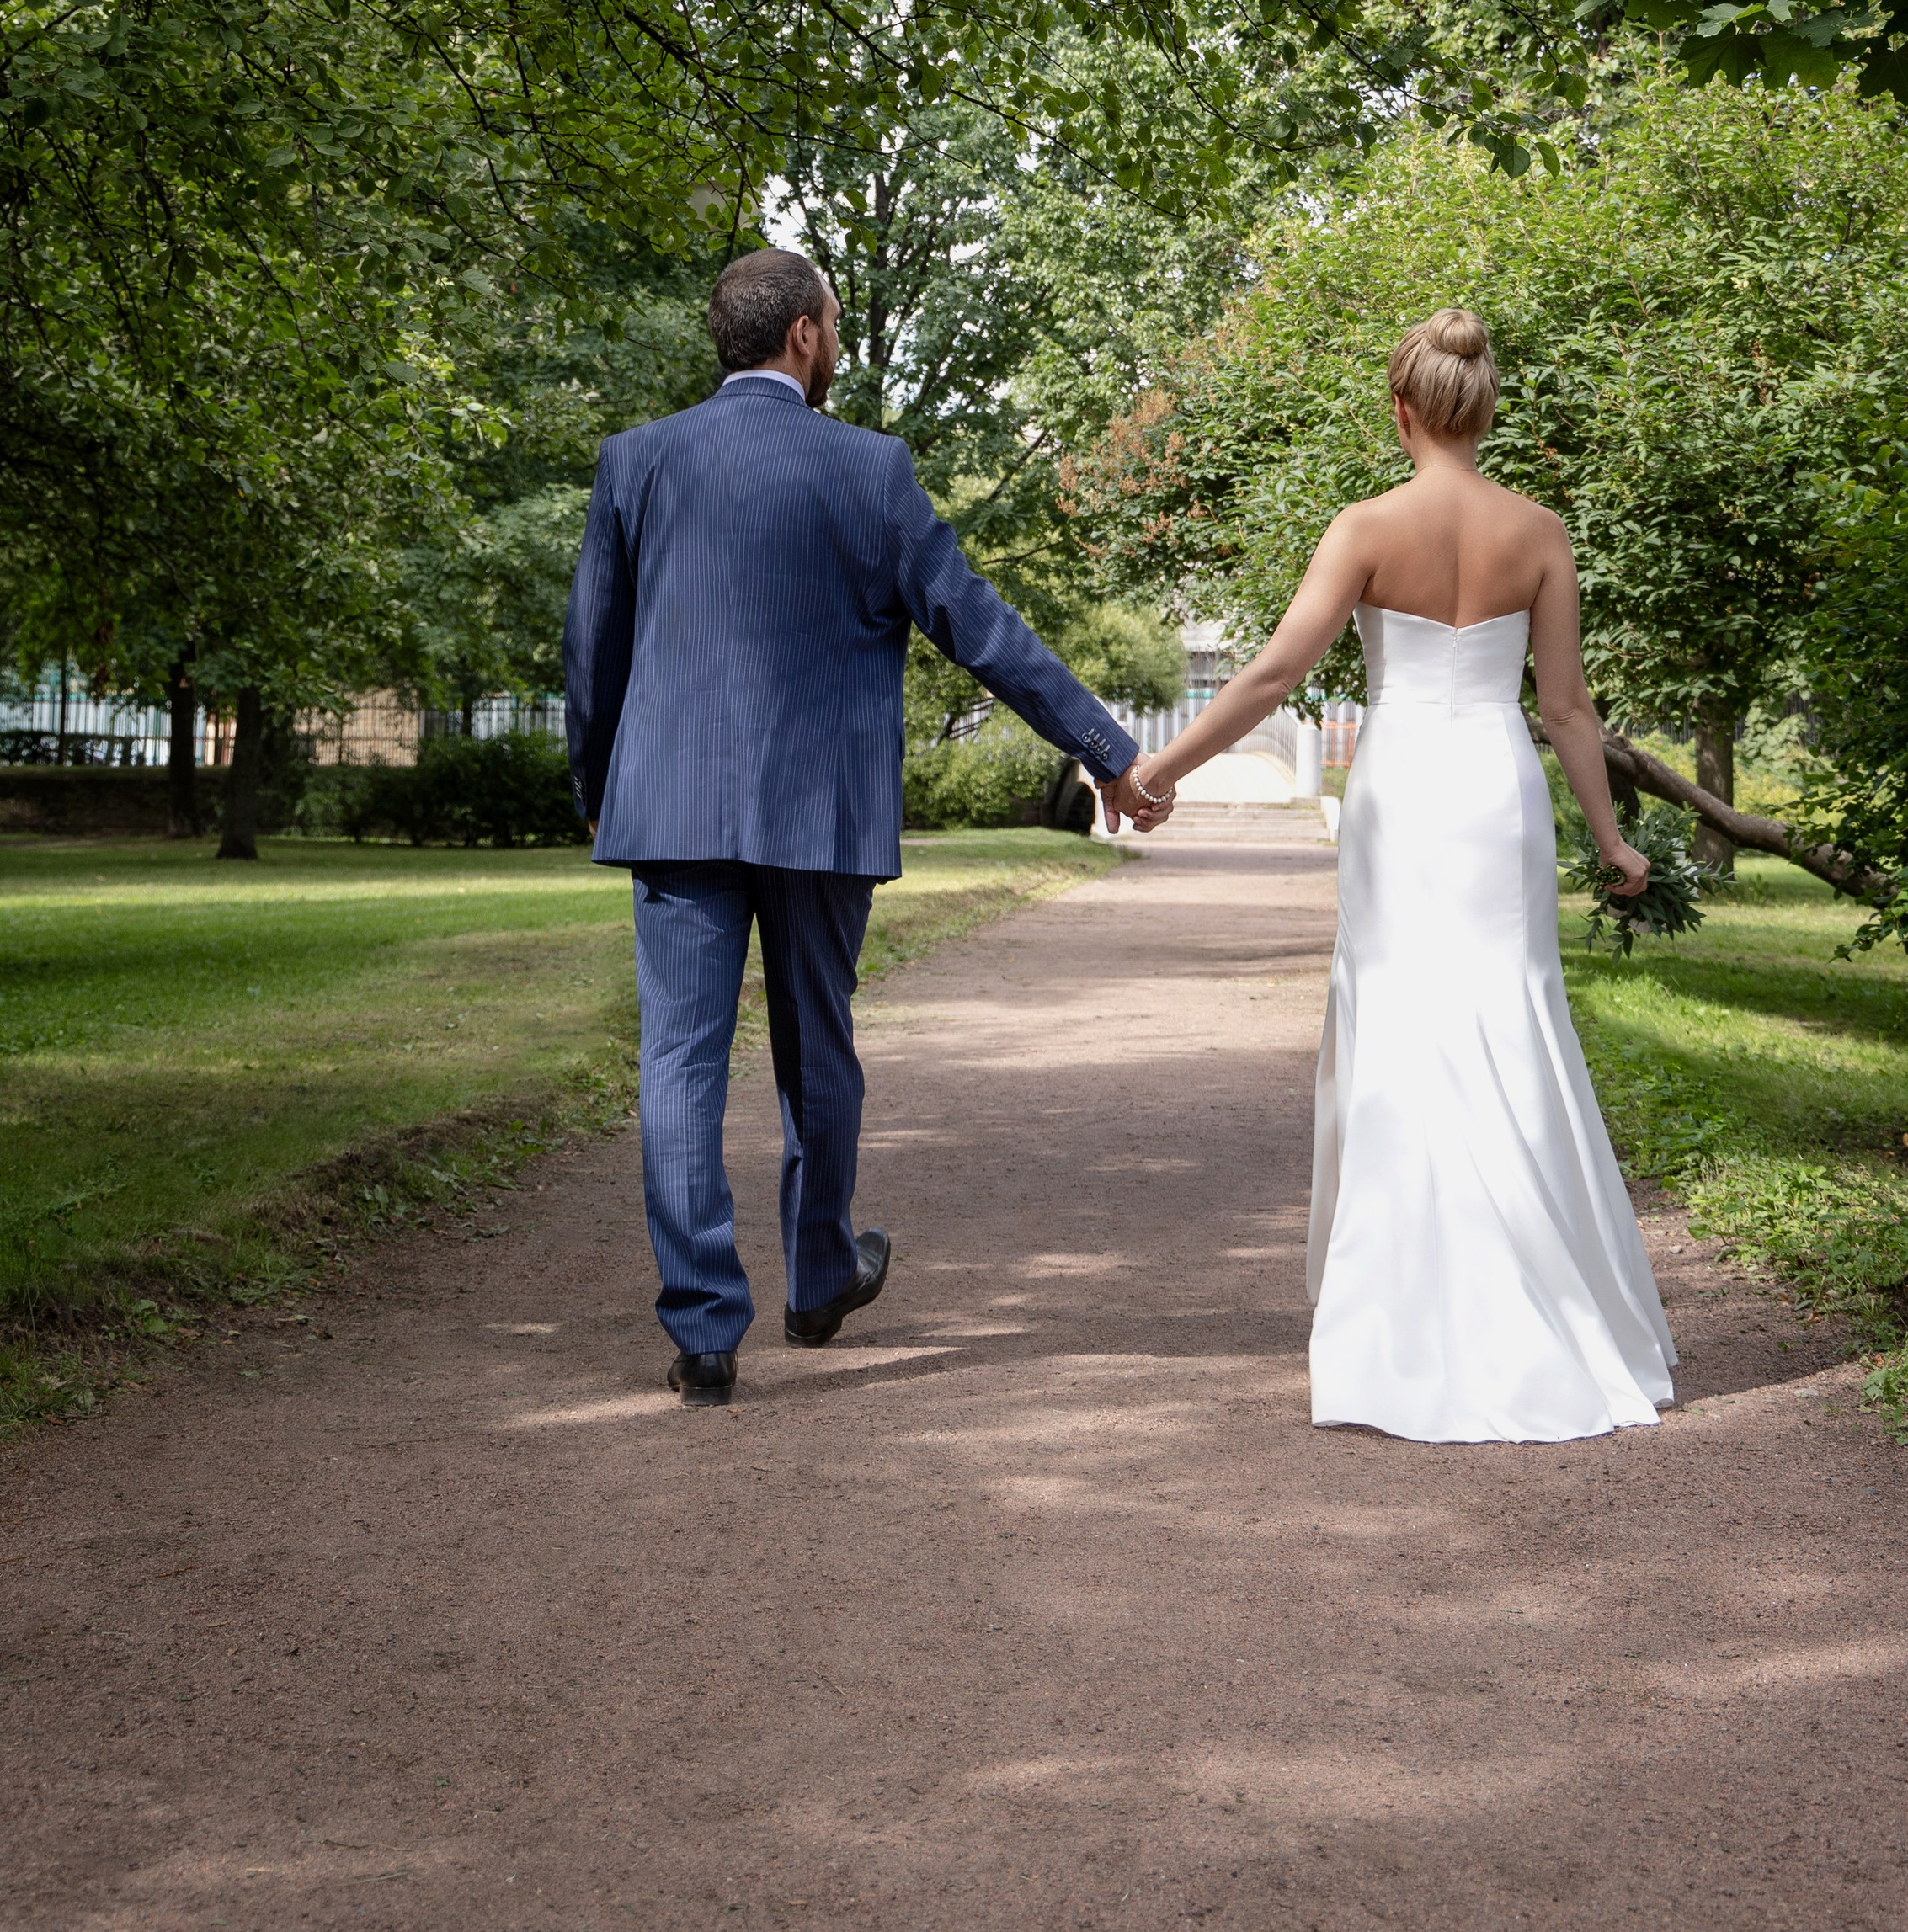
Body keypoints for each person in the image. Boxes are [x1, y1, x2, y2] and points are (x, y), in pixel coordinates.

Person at [563, 246, 1168, 1408]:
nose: (835, 339)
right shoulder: (870, 469)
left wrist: (598, 781)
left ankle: (704, 1332)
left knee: (679, 1060)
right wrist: (1107, 750)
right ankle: (820, 1277)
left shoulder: (638, 460)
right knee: (816, 1047)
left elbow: (594, 643)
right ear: (803, 334)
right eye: (833, 322)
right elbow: (980, 628)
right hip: (819, 811)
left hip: (673, 805)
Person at [1127, 307, 1676, 1446]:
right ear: (1483, 410)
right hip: (1499, 787)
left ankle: (1405, 1321)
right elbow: (1567, 709)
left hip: (1405, 785)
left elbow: (1274, 675)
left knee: (1397, 1015)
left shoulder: (1366, 527)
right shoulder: (1541, 532)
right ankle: (1550, 1300)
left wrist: (1159, 769)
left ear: (1403, 410)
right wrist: (1612, 840)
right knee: (1512, 1012)